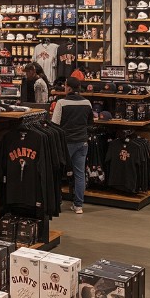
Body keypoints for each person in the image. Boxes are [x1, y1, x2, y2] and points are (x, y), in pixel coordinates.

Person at [52, 76, 93, 214]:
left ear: (68, 87)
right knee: (80, 174)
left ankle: (56, 203)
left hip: (65, 142)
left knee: (57, 172)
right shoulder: (87, 103)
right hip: (82, 141)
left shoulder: (61, 103)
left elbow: (55, 124)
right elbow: (90, 123)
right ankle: (78, 206)